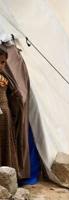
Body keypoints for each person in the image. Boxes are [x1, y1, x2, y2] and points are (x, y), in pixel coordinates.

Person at [0, 44, 19, 174]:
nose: (1, 65)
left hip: (5, 113)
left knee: (5, 142)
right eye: (0, 62)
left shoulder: (5, 76)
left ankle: (6, 174)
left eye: (3, 62)